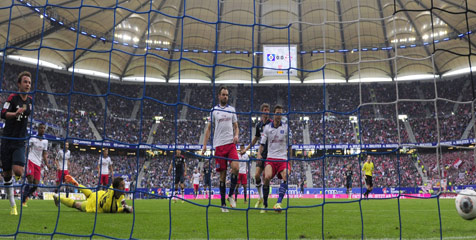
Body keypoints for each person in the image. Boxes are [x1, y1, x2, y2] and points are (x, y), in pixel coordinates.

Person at [201, 86, 240, 212]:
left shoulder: (231, 110)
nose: (225, 97)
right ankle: (223, 204)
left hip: (230, 144)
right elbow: (208, 129)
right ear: (219, 96)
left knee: (236, 168)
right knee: (222, 176)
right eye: (223, 94)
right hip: (219, 146)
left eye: (227, 95)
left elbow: (236, 126)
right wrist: (205, 145)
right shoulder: (214, 111)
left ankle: (231, 195)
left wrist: (236, 135)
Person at [1, 71, 32, 215]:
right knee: (6, 175)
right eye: (25, 82)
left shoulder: (30, 101)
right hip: (7, 140)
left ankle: (20, 181)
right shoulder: (12, 98)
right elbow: (3, 113)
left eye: (29, 83)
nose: (27, 84)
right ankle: (12, 204)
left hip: (19, 141)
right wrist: (15, 114)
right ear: (19, 84)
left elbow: (27, 114)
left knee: (18, 170)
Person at [258, 105, 291, 213]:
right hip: (271, 158)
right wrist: (259, 153)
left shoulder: (286, 128)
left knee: (286, 175)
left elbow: (290, 146)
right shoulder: (267, 128)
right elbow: (262, 144)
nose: (278, 115)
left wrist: (289, 159)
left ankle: (278, 203)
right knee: (266, 177)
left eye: (280, 113)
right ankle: (265, 203)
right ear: (274, 114)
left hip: (282, 159)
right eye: (277, 113)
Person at [242, 103, 271, 209]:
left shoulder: (272, 124)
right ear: (261, 111)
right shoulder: (259, 125)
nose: (266, 111)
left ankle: (265, 201)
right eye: (265, 109)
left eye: (268, 110)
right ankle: (261, 197)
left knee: (265, 177)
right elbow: (255, 140)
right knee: (256, 175)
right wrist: (246, 149)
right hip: (261, 154)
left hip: (270, 154)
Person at [53, 175, 133, 213]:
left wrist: (125, 205)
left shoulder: (114, 188)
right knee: (76, 204)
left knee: (89, 193)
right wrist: (124, 209)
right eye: (122, 186)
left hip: (97, 194)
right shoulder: (111, 205)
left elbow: (122, 198)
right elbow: (115, 210)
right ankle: (57, 197)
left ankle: (77, 184)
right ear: (116, 188)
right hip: (93, 204)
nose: (124, 187)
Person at [22, 123, 49, 207]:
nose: (42, 129)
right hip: (30, 160)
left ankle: (26, 196)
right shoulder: (32, 138)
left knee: (35, 185)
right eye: (41, 128)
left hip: (38, 163)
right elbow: (27, 149)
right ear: (38, 129)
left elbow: (44, 154)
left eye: (44, 128)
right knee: (30, 178)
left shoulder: (45, 141)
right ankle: (23, 200)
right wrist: (24, 158)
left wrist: (47, 164)